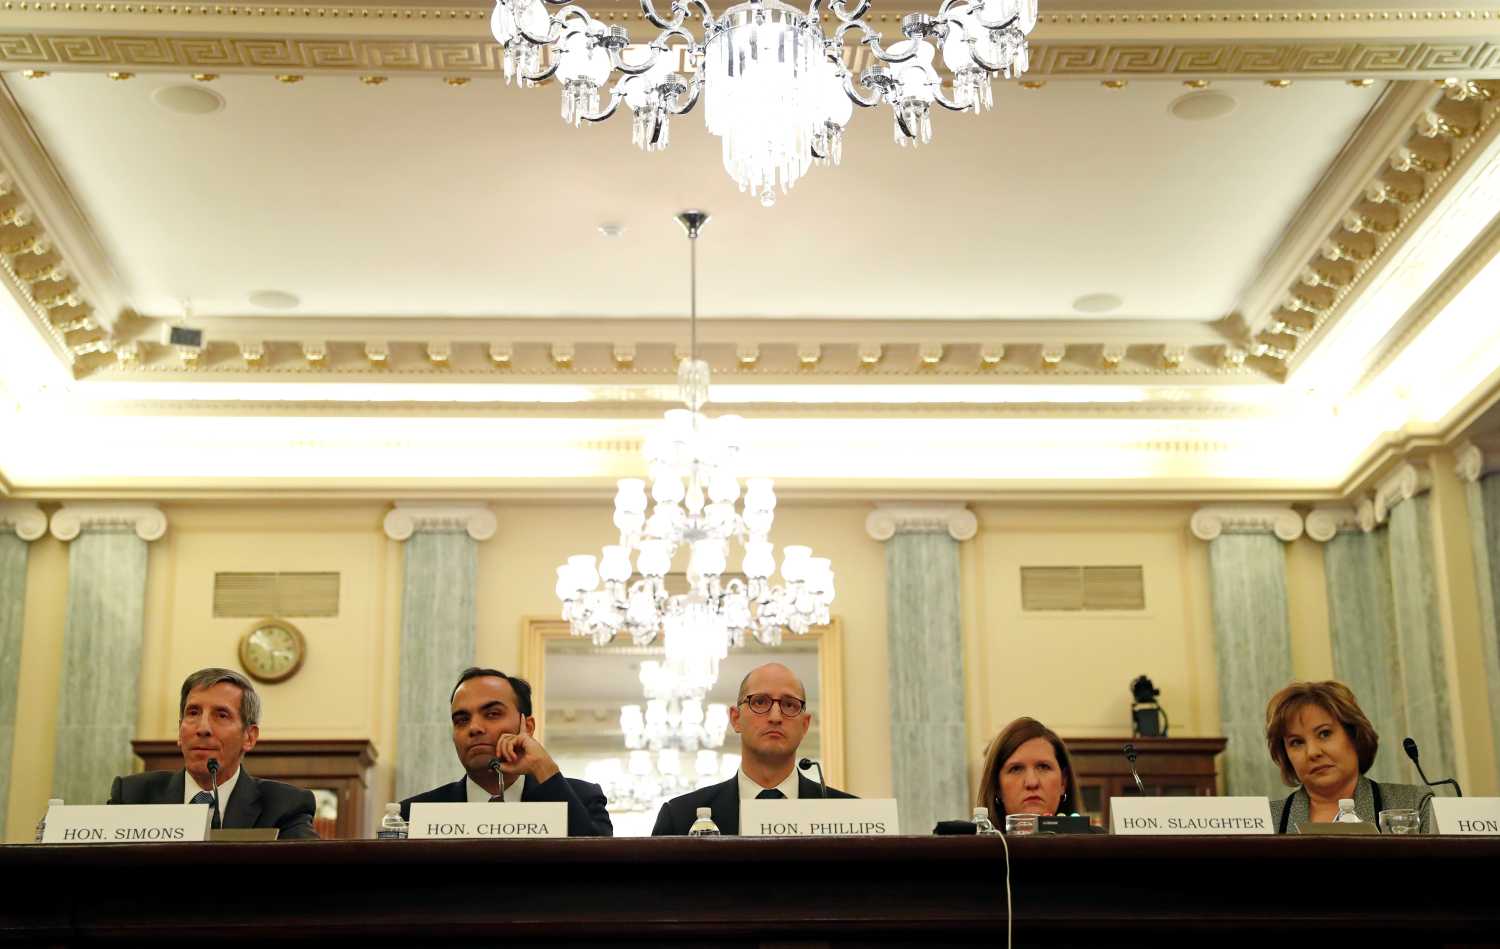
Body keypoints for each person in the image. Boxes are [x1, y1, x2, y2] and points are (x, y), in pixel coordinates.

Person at [108, 668, 318, 839]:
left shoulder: (284, 806)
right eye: (193, 713)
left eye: (221, 715)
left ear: (249, 737)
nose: (203, 728)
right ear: (180, 731)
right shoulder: (132, 796)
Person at [400, 667, 612, 836]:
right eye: (462, 720)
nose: (474, 728)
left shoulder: (584, 798)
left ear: (527, 727)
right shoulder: (412, 815)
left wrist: (543, 767)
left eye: (492, 714)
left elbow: (601, 877)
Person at [652, 661, 853, 836]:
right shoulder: (679, 817)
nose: (775, 717)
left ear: (805, 725)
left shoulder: (850, 815)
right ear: (735, 719)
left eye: (789, 705)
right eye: (759, 702)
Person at [1265, 680, 1433, 833]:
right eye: (1296, 742)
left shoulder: (1413, 803)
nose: (1312, 752)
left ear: (1354, 735)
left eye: (1324, 734)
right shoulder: (1268, 822)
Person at [975, 716, 1084, 826]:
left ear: (1063, 782)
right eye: (1016, 769)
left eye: (1043, 767)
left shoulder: (1096, 842)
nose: (1032, 783)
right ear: (997, 786)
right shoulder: (970, 843)